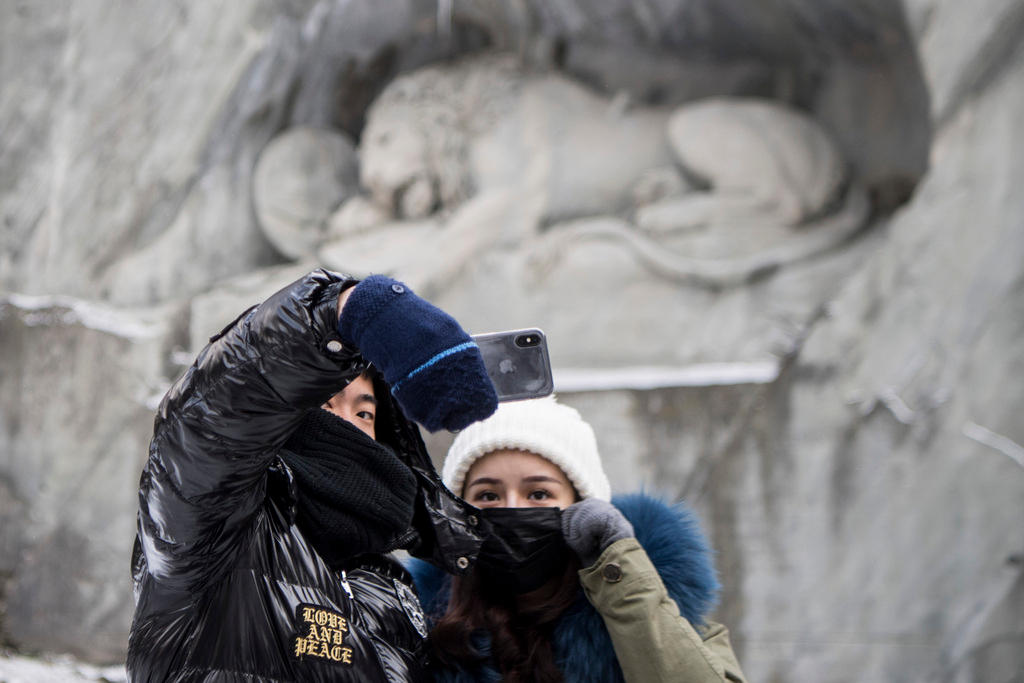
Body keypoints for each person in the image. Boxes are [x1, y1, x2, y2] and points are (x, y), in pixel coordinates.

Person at [127, 269, 499, 682]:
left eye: (364, 412)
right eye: (325, 405)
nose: (347, 424)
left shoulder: (392, 584)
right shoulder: (219, 530)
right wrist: (351, 309)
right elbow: (209, 418)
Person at [407, 396, 747, 682]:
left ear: (583, 507)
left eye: (538, 493)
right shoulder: (412, 627)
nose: (511, 509)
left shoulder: (674, 619)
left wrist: (624, 579)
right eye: (488, 495)